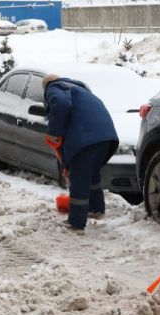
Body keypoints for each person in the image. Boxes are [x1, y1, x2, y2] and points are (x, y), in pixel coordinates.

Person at [43, 74, 119, 232]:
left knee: (78, 178)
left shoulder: (54, 88)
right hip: (106, 137)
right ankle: (96, 208)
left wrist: (54, 132)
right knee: (91, 175)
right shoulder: (78, 89)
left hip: (86, 138)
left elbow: (61, 104)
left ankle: (76, 222)